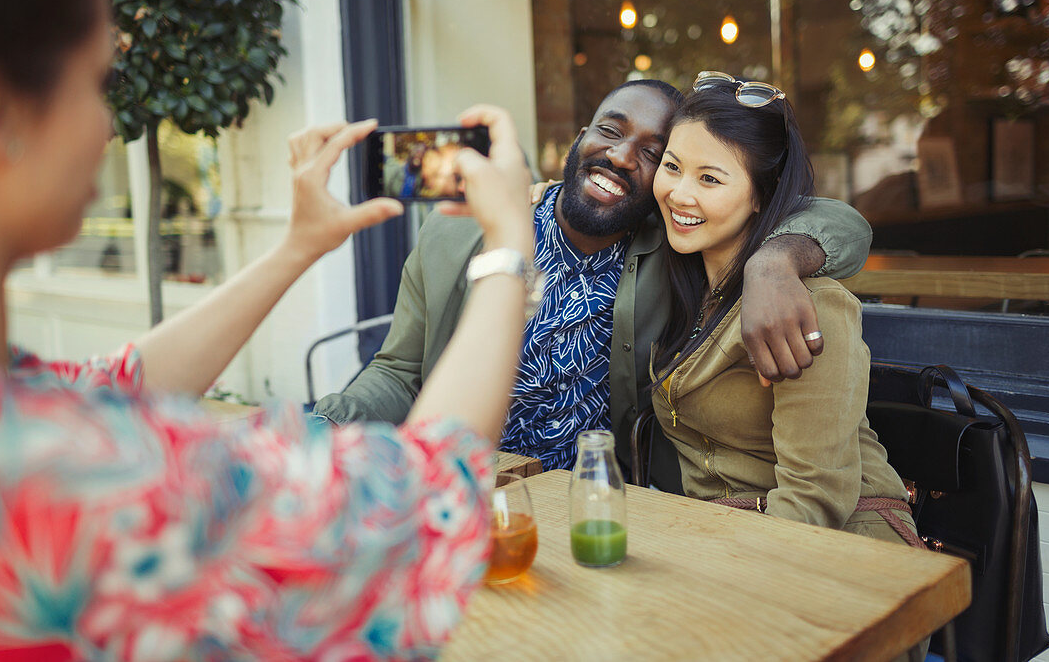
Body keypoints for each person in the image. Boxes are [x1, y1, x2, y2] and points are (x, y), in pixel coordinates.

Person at [0, 0, 535, 656]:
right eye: (97, 82)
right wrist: (510, 242)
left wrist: (297, 248)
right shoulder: (63, 472)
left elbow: (111, 384)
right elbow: (417, 508)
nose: (108, 124)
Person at [315, 79, 874, 489]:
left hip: (603, 503)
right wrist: (328, 422)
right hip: (468, 486)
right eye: (610, 131)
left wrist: (773, 261)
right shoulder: (458, 234)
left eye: (656, 155)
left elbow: (838, 220)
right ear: (579, 139)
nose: (622, 156)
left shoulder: (671, 245)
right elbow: (399, 371)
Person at [648, 71, 918, 549]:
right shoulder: (687, 281)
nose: (680, 194)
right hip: (724, 538)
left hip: (839, 552)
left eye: (709, 178)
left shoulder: (807, 306)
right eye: (672, 166)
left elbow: (814, 499)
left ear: (762, 195)